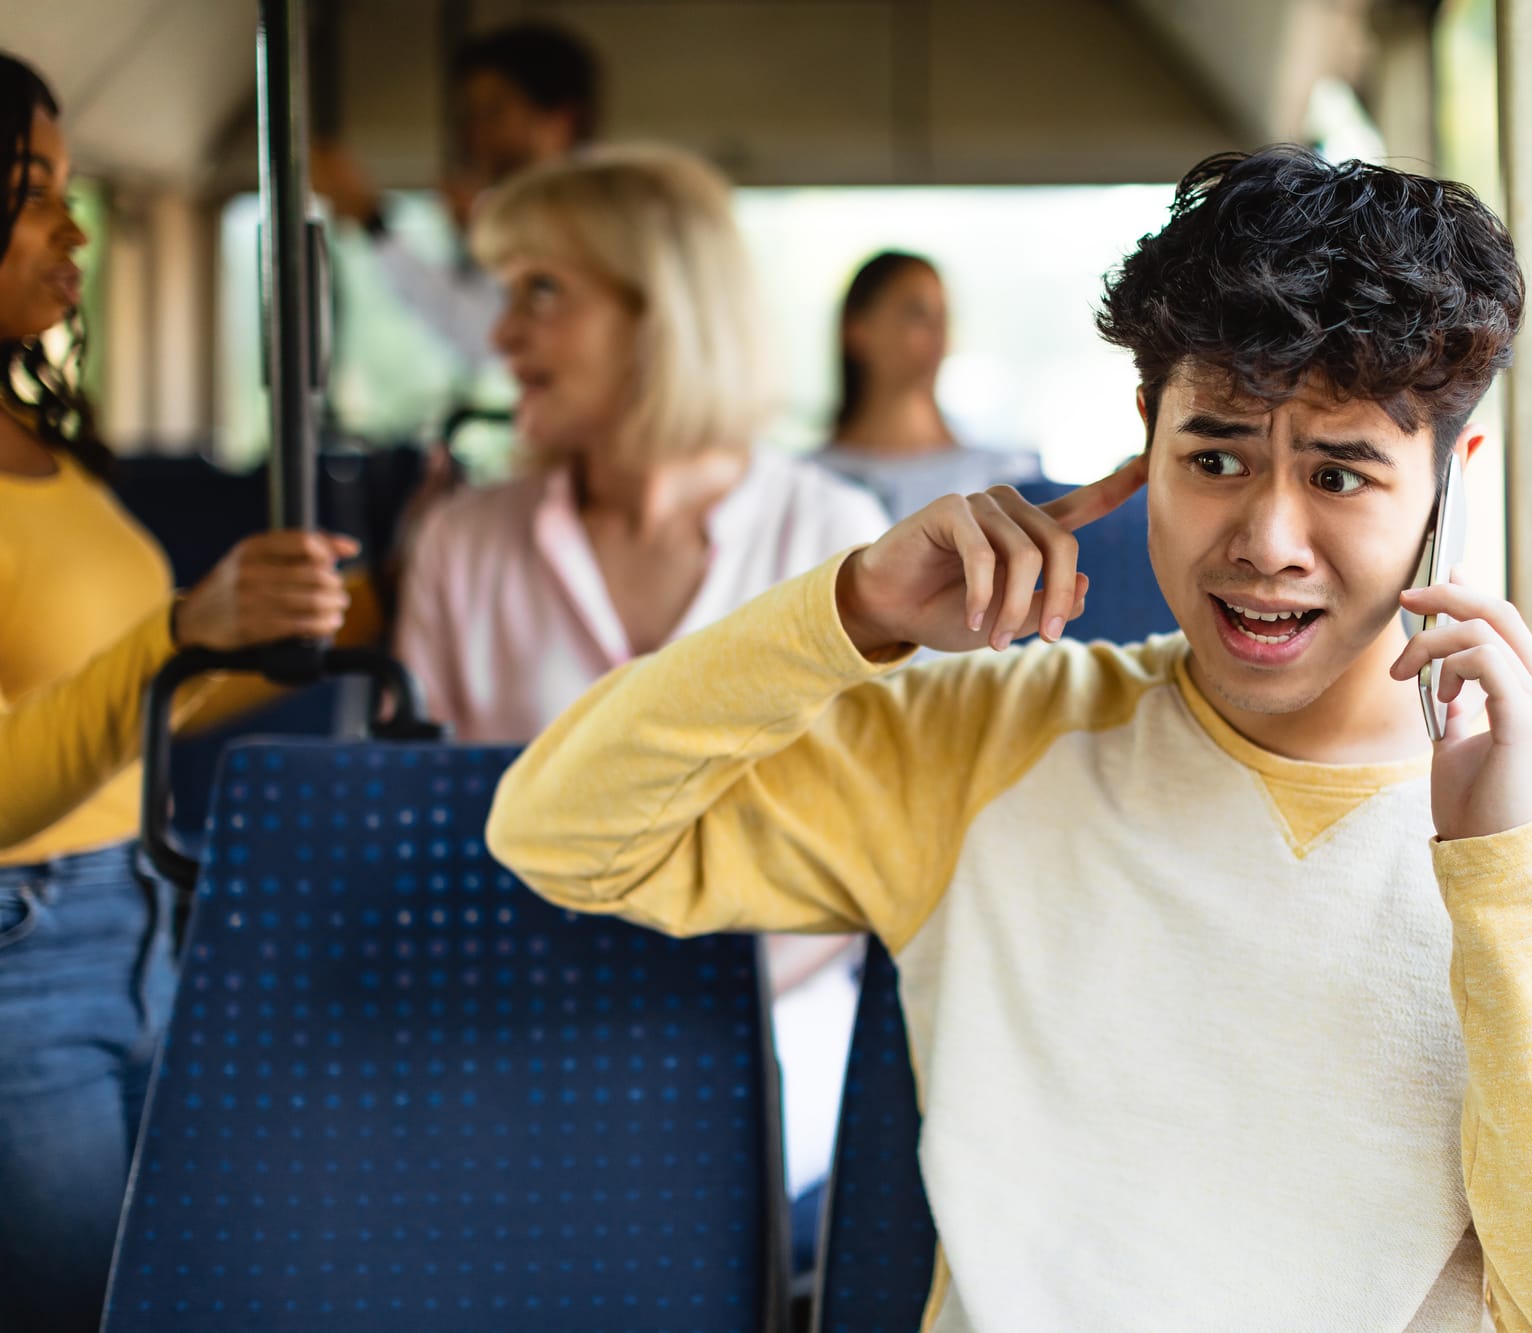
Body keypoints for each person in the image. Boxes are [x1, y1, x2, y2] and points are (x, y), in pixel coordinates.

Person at [487, 147, 1532, 1330]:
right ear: (1145, 440)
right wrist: (847, 609)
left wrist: (1510, 873)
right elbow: (560, 831)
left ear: (1453, 482)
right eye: (1215, 456)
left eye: (1340, 478)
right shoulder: (983, 741)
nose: (1266, 539)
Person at [392, 144, 889, 1267]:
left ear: (656, 316)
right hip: (510, 1024)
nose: (500, 335)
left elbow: (871, 839)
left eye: (541, 293)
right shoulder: (460, 541)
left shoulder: (836, 539)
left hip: (778, 1028)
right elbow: (425, 815)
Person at [0, 53, 358, 1332]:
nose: (74, 226)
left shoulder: (42, 447)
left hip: (141, 911)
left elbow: (117, 711)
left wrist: (253, 642)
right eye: (34, 189)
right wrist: (181, 632)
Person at [312, 21, 599, 366]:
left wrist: (374, 222)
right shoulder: (536, 217)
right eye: (470, 116)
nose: (475, 135)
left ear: (561, 120)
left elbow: (480, 336)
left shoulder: (597, 216)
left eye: (493, 112)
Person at [815, 250, 1043, 520]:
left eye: (943, 316)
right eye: (917, 313)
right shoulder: (806, 481)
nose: (938, 331)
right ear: (857, 329)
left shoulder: (1006, 477)